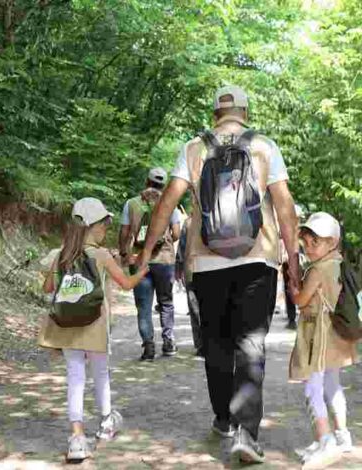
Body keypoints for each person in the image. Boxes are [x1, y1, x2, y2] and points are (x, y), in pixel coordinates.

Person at [136, 85, 301, 464]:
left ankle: (224, 420)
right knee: (251, 344)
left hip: (206, 262)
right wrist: (292, 260)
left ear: (215, 114)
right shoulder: (264, 147)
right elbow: (285, 206)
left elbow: (167, 203)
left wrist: (147, 253)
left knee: (217, 344)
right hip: (258, 260)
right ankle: (247, 433)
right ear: (245, 111)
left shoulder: (194, 148)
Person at [38, 198, 148, 462]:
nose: (105, 229)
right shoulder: (100, 255)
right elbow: (126, 284)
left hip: (66, 327)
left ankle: (76, 437)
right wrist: (142, 271)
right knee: (100, 373)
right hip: (95, 325)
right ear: (93, 225)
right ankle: (106, 423)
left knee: (75, 376)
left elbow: (48, 289)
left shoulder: (60, 254)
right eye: (104, 224)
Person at [288, 212, 357, 468]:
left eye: (315, 241)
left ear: (332, 242)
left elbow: (301, 301)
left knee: (312, 388)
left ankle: (325, 441)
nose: (309, 247)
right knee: (333, 384)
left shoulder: (318, 269)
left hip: (319, 335)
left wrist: (293, 288)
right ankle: (342, 436)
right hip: (337, 334)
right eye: (307, 241)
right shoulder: (340, 264)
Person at [118, 168, 182, 361]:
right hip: (164, 260)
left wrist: (124, 254)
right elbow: (177, 233)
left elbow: (124, 233)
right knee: (166, 302)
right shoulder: (170, 204)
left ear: (147, 181)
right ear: (163, 185)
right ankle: (168, 342)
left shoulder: (132, 204)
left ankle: (148, 346)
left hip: (139, 260)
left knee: (144, 305)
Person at [175, 216, 203, 356]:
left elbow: (182, 247)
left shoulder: (189, 221)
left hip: (192, 268)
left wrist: (178, 269)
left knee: (195, 307)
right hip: (215, 269)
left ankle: (201, 344)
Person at [281, 204, 306, 330]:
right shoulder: (286, 230)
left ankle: (300, 317)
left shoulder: (303, 231)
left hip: (301, 264)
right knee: (289, 289)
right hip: (288, 264)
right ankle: (292, 319)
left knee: (303, 289)